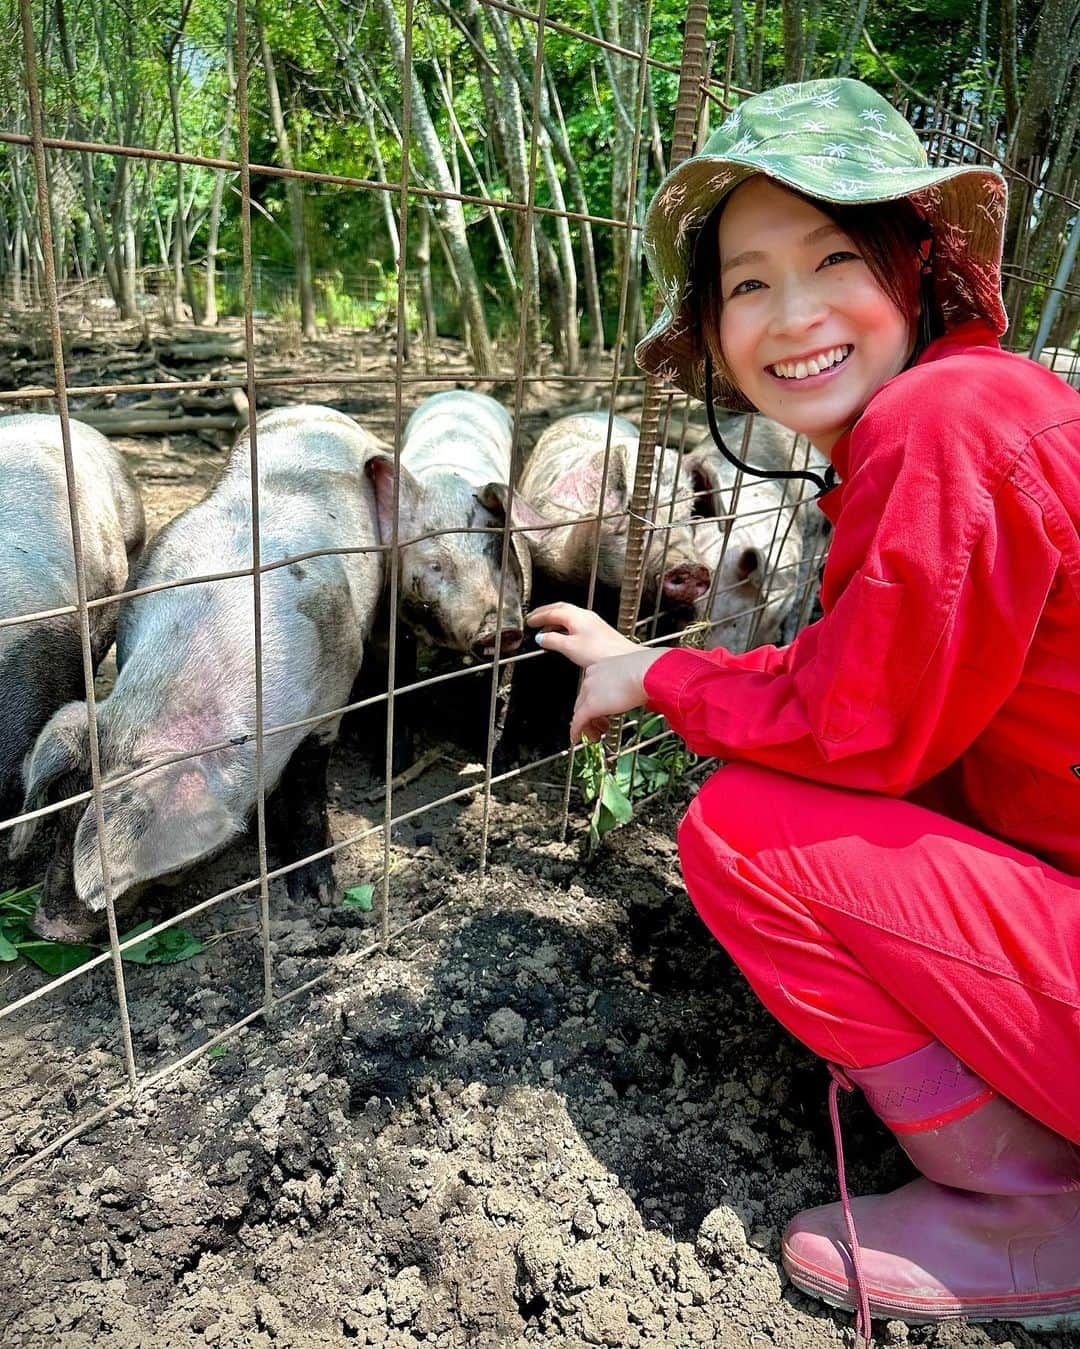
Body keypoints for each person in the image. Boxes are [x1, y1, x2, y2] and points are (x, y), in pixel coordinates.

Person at [528, 77, 1080, 1339]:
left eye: (835, 258)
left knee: (744, 833)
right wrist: (652, 664)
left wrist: (664, 674)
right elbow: (881, 678)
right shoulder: (974, 411)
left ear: (916, 272)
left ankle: (1033, 1200)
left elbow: (864, 727)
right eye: (748, 284)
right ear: (717, 329)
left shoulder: (946, 425)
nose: (794, 314)